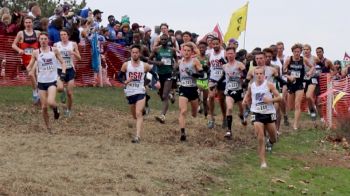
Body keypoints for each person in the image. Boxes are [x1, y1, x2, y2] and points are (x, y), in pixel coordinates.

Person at [118, 44, 160, 143]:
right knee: (134, 116)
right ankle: (144, 110)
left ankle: (137, 136)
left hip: (140, 91)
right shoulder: (126, 65)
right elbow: (119, 76)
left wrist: (157, 81)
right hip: (129, 91)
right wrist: (125, 81)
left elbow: (154, 73)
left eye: (137, 52)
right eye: (133, 52)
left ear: (139, 53)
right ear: (131, 53)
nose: (135, 54)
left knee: (138, 113)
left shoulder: (144, 65)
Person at [27, 32, 67, 131]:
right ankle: (48, 127)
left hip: (52, 81)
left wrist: (63, 72)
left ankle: (55, 108)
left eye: (45, 39)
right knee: (44, 107)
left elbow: (63, 62)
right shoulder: (36, 52)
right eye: (42, 39)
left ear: (48, 40)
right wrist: (29, 69)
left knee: (50, 102)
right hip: (41, 82)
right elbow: (30, 65)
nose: (43, 41)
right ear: (39, 40)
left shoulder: (54, 50)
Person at [243, 66, 281, 168]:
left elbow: (279, 97)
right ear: (254, 75)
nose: (259, 76)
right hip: (256, 113)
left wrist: (270, 100)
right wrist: (245, 100)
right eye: (257, 74)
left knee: (274, 138)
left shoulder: (269, 85)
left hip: (269, 113)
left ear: (264, 75)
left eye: (261, 74)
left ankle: (271, 142)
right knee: (260, 137)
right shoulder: (252, 85)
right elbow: (248, 94)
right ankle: (263, 162)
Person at [148, 34, 178, 123]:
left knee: (164, 96)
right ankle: (170, 95)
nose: (164, 41)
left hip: (169, 75)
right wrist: (157, 62)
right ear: (160, 40)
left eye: (165, 39)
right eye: (162, 39)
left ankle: (162, 116)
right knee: (162, 96)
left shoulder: (172, 50)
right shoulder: (156, 49)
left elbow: (176, 60)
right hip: (160, 75)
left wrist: (175, 67)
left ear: (168, 40)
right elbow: (149, 60)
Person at [177, 43, 204, 141]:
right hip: (183, 88)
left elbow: (201, 74)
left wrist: (193, 74)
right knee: (183, 111)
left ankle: (198, 107)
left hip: (193, 89)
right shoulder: (180, 62)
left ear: (192, 52)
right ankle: (183, 132)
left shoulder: (195, 61)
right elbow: (177, 72)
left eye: (189, 51)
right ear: (182, 51)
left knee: (194, 114)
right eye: (185, 50)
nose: (187, 52)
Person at [283, 43, 314, 130]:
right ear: (292, 52)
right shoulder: (289, 59)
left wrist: (309, 72)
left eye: (298, 52)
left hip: (299, 84)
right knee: (290, 107)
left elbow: (312, 67)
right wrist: (289, 76)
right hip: (290, 84)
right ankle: (286, 118)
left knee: (297, 105)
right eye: (295, 52)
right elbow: (283, 71)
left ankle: (295, 124)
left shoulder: (303, 59)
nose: (297, 53)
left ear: (301, 52)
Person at [12, 16, 41, 104]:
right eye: (26, 22)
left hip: (36, 57)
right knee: (31, 75)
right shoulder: (21, 33)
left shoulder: (37, 33)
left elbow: (43, 43)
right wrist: (19, 50)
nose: (28, 24)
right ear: (24, 24)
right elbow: (13, 45)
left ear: (32, 23)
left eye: (29, 22)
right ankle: (36, 91)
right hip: (26, 58)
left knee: (34, 73)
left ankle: (37, 94)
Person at [220, 47, 246, 139]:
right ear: (226, 55)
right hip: (229, 90)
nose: (230, 55)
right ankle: (229, 130)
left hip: (239, 90)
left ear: (235, 54)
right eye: (228, 53)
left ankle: (241, 116)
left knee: (241, 109)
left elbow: (245, 75)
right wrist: (215, 85)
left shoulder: (240, 65)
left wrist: (241, 75)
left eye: (232, 53)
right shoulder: (224, 66)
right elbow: (223, 77)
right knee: (229, 108)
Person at [54, 29, 81, 117]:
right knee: (60, 89)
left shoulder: (73, 44)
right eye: (61, 35)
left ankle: (69, 110)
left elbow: (79, 58)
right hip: (59, 69)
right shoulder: (56, 45)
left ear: (68, 35)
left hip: (70, 69)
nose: (63, 36)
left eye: (64, 34)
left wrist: (73, 52)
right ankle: (63, 92)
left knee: (70, 93)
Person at [207, 37, 227, 129]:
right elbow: (208, 63)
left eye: (217, 44)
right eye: (213, 44)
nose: (215, 45)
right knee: (210, 97)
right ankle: (211, 119)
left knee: (221, 100)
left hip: (222, 79)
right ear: (211, 44)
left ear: (220, 43)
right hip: (213, 78)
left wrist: (224, 62)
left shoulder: (224, 53)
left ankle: (224, 118)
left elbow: (228, 64)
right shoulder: (210, 53)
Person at [302, 44, 319, 122]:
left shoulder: (314, 58)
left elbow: (320, 65)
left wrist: (318, 72)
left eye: (307, 49)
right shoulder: (301, 58)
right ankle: (312, 113)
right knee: (307, 97)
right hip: (304, 79)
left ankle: (314, 107)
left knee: (309, 96)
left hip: (313, 78)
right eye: (304, 49)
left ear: (310, 50)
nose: (305, 51)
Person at [196, 41, 210, 118]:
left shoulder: (208, 58)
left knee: (204, 99)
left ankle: (205, 114)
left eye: (203, 48)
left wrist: (207, 69)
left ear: (206, 48)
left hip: (205, 80)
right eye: (200, 47)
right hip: (197, 79)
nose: (201, 49)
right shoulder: (196, 58)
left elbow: (210, 69)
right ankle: (197, 109)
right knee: (197, 95)